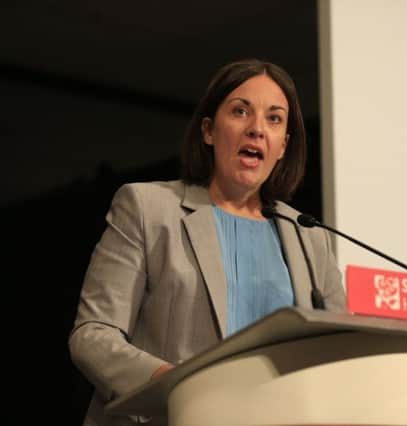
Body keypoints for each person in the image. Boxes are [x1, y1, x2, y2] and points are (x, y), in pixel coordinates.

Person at [69, 58, 346, 426]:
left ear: (283, 147)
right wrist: (173, 385)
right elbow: (93, 335)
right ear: (209, 130)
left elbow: (341, 353)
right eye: (240, 111)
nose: (257, 129)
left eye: (274, 119)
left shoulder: (308, 236)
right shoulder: (148, 209)